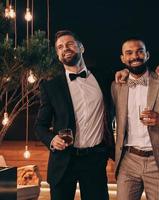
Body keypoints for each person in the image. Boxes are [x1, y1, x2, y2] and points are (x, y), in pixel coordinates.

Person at [34, 30, 115, 200]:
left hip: (95, 160)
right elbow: (40, 126)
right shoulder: (51, 87)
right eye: (60, 47)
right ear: (58, 55)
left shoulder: (104, 78)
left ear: (81, 48)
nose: (65, 48)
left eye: (70, 44)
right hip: (64, 161)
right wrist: (51, 140)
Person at [111, 38, 159, 200]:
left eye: (139, 51)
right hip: (128, 160)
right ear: (123, 59)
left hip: (158, 161)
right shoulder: (117, 86)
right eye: (129, 53)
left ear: (147, 55)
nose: (135, 56)